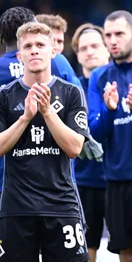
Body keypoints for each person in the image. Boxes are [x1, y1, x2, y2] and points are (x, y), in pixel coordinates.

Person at [0, 22, 89, 262]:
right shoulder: (5, 95)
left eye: (40, 45)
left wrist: (48, 112)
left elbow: (74, 148)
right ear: (19, 56)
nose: (34, 50)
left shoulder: (71, 93)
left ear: (53, 51)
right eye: (28, 46)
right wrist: (25, 117)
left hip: (61, 205)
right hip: (16, 207)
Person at [88, 10, 132, 262]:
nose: (112, 40)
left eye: (119, 34)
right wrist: (110, 109)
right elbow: (93, 135)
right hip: (115, 181)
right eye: (108, 35)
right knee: (126, 253)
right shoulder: (99, 76)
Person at [0, 6, 82, 198]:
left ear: (3, 37)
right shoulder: (59, 62)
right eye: (28, 46)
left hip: (8, 184)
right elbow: (79, 106)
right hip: (57, 181)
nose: (34, 51)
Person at [72, 23, 110, 262]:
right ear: (77, 55)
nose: (89, 52)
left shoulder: (123, 82)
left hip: (119, 180)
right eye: (83, 48)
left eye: (95, 45)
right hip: (83, 182)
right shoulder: (68, 89)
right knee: (86, 253)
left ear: (107, 49)